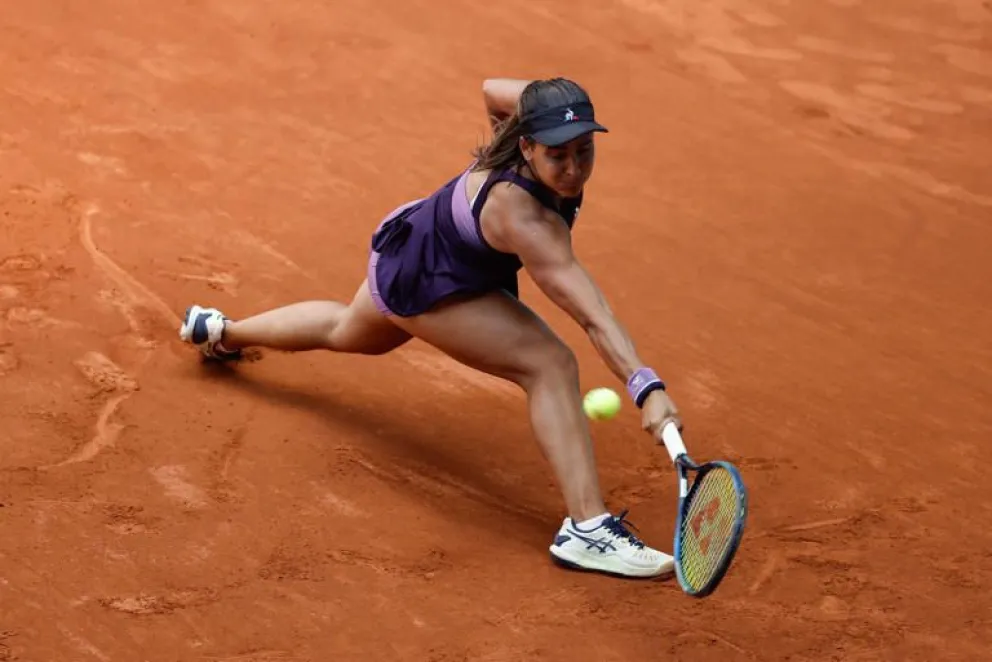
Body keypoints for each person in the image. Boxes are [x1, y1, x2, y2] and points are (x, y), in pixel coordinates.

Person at [179, 77, 684, 579]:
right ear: (527, 146)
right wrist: (646, 387)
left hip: (412, 245)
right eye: (558, 155)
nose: (573, 169)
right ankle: (587, 529)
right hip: (430, 280)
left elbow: (493, 89)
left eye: (584, 151)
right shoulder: (527, 219)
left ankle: (221, 330)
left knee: (344, 330)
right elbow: (592, 314)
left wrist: (551, 103)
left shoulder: (529, 126)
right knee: (550, 364)